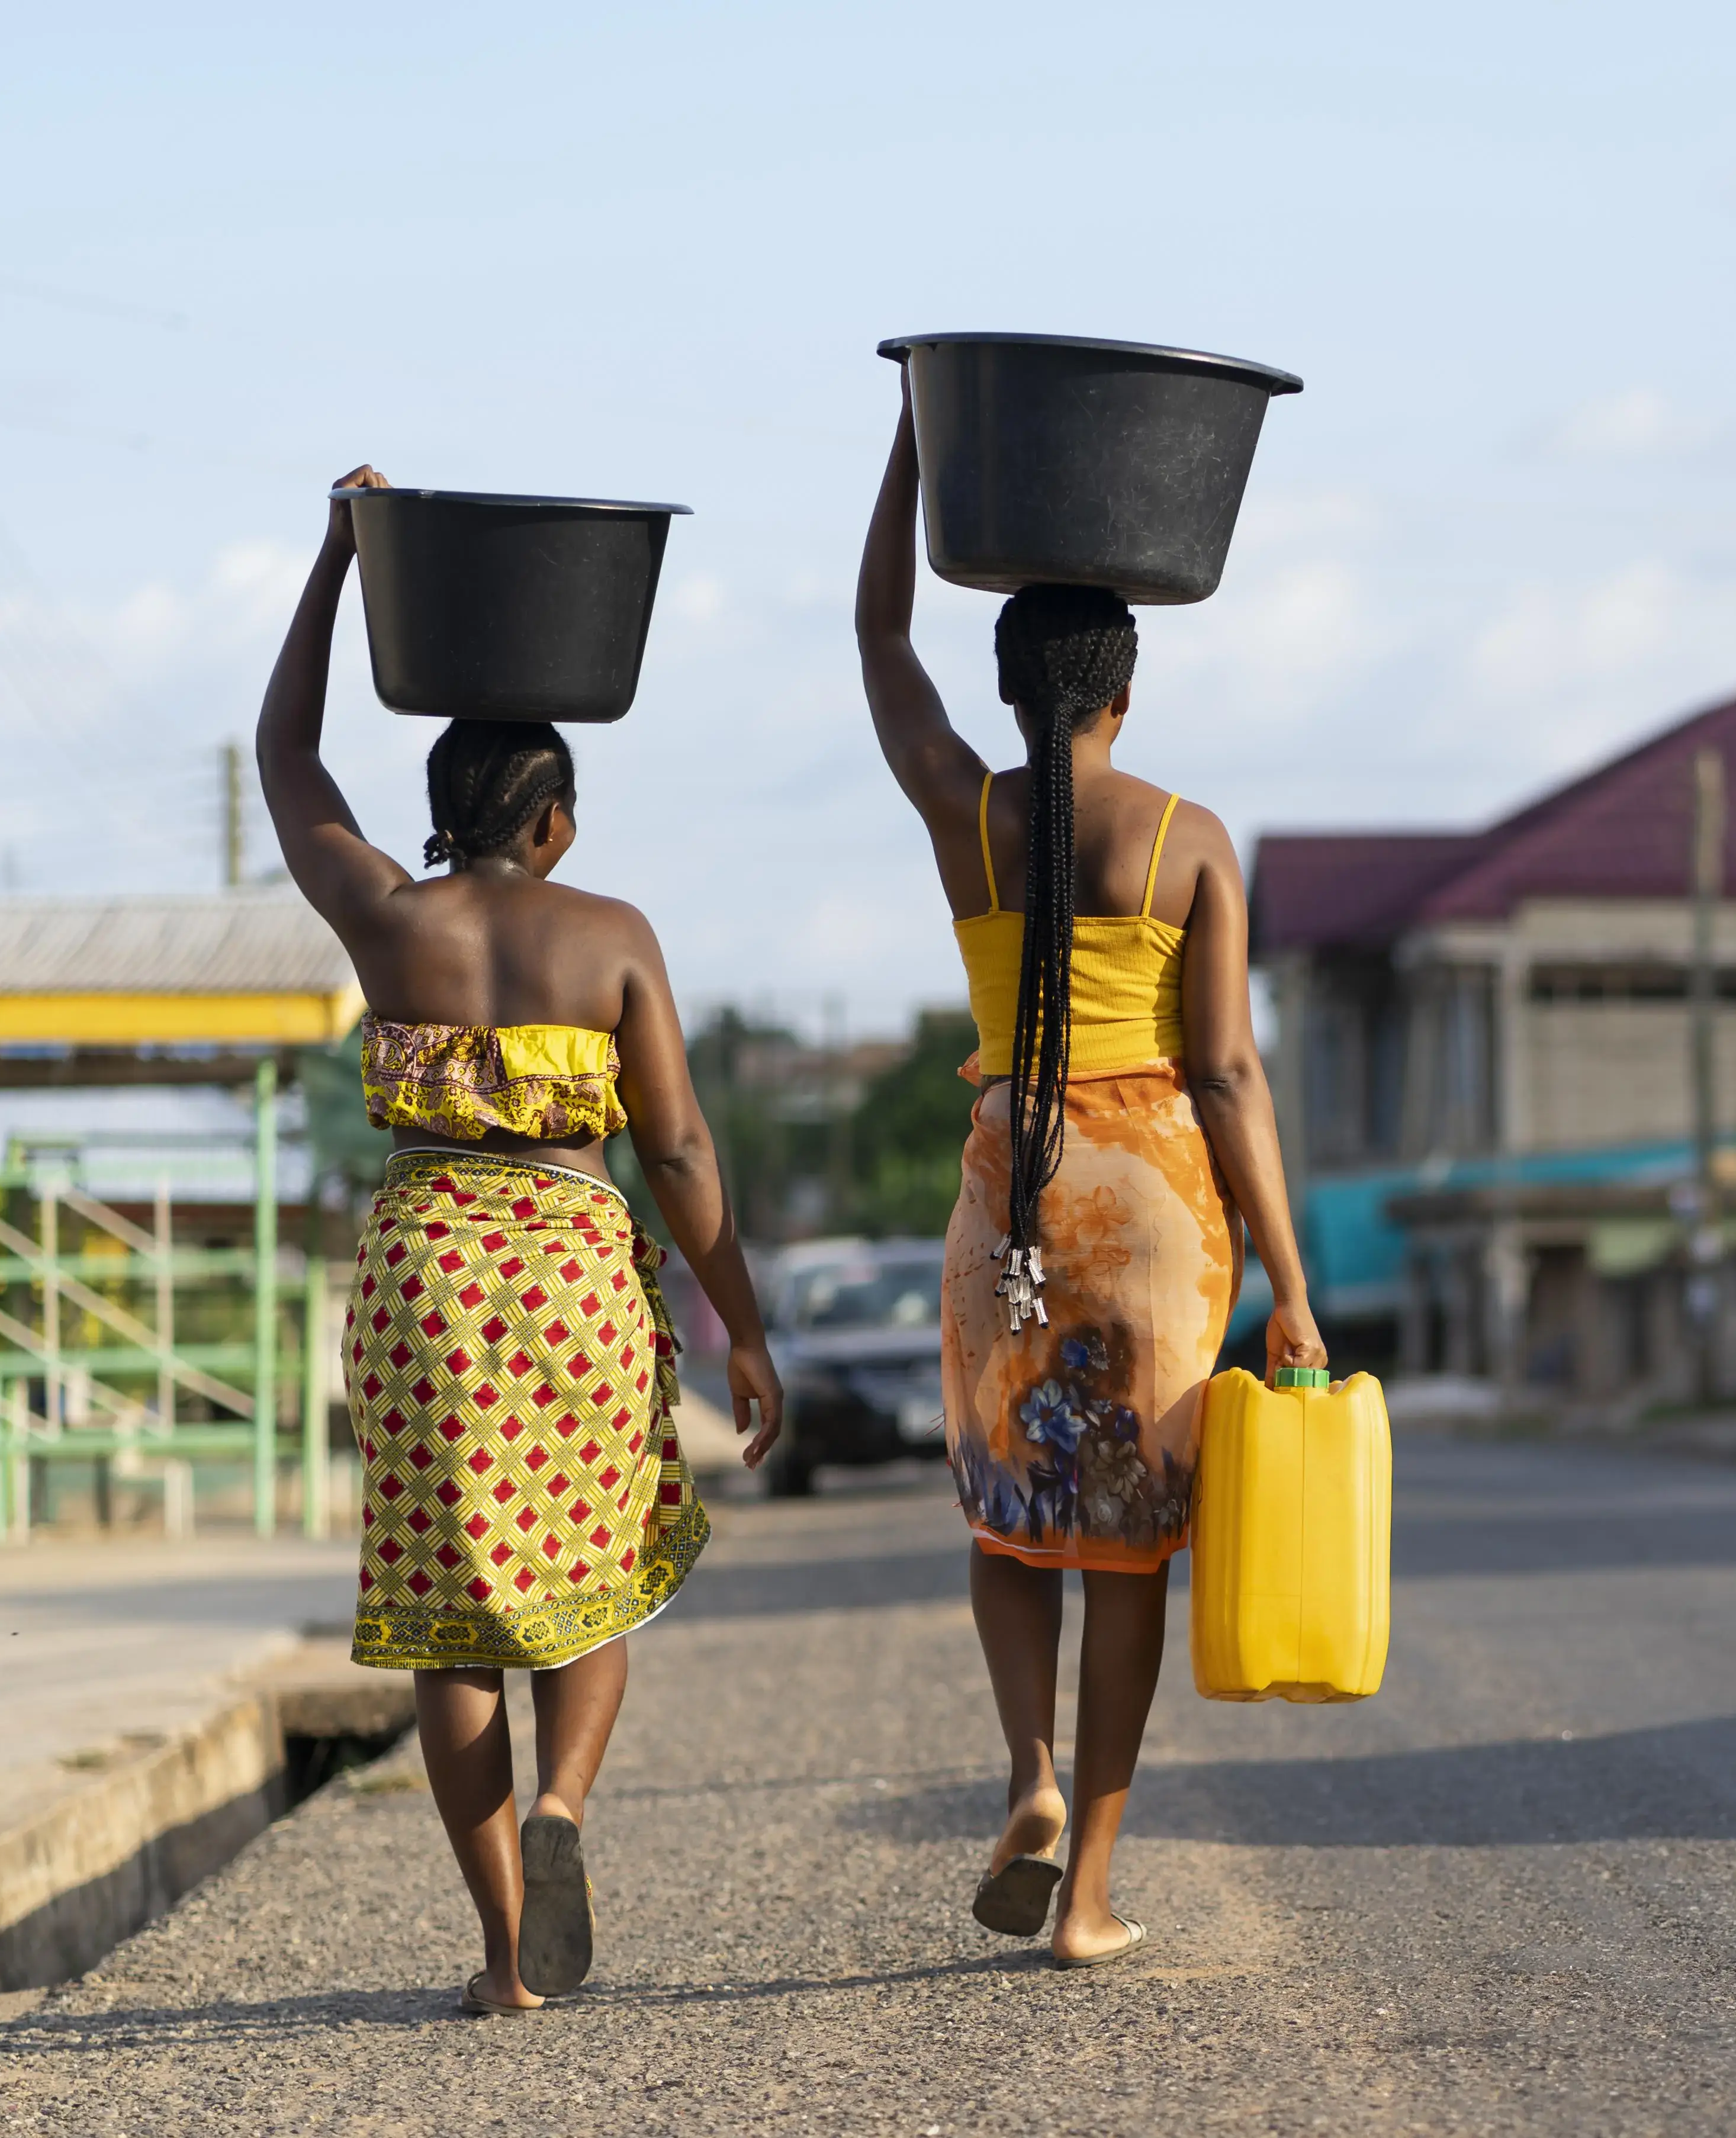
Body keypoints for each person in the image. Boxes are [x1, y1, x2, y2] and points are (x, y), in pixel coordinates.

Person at [256, 466, 785, 2015]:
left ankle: (504, 1963)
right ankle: (565, 1809)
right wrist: (742, 1323)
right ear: (555, 823)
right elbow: (678, 1148)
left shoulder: (390, 921)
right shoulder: (612, 935)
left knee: (453, 1618)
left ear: (440, 816)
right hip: (567, 1265)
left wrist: (335, 558)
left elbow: (288, 752)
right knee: (593, 1577)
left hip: (427, 1270)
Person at [855, 380, 1324, 1969]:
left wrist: (915, 447)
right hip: (1159, 1220)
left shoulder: (964, 817)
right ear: (1128, 685)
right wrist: (1298, 1286)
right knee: (1129, 1542)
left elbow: (876, 646)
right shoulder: (1191, 837)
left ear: (1008, 687)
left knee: (1008, 1517)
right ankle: (1093, 1897)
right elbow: (1231, 1072)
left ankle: (1030, 1778)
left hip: (1014, 1193)